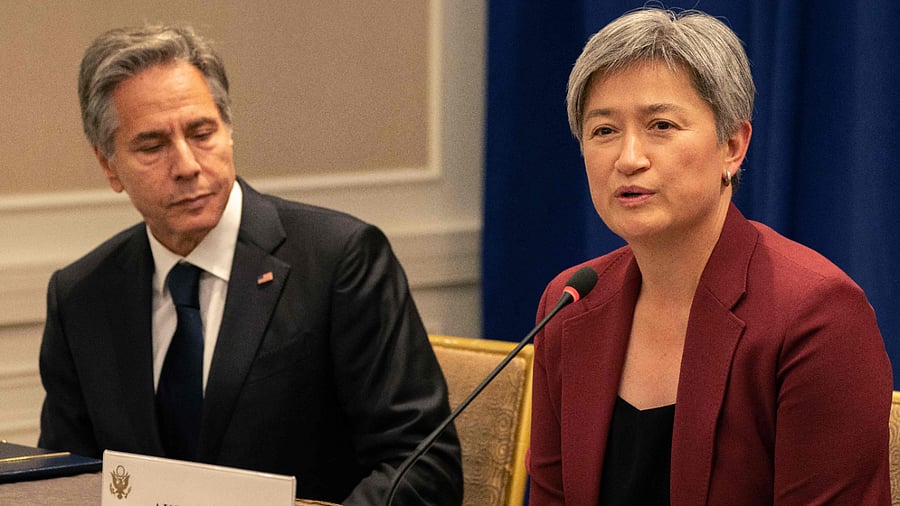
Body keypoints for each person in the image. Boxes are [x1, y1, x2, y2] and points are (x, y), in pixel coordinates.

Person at [37, 24, 463, 506]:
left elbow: (424, 465)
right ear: (109, 164)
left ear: (228, 130)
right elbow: (64, 481)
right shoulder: (82, 296)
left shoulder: (340, 260)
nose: (187, 165)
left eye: (202, 133)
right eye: (152, 146)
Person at [526, 8, 892, 505]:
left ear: (733, 146)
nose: (629, 157)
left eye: (661, 125)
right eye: (604, 131)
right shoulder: (570, 304)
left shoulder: (817, 317)